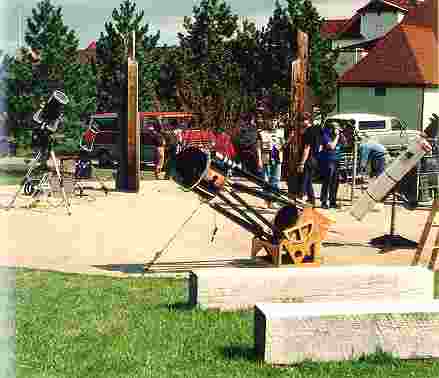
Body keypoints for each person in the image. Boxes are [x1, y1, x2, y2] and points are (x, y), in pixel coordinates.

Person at [258, 117, 286, 208]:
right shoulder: (261, 133)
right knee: (266, 180)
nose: (273, 122)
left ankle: (273, 201)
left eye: (274, 120)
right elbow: (258, 147)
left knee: (276, 181)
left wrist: (289, 139)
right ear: (267, 121)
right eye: (271, 120)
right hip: (266, 159)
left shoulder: (281, 132)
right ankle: (266, 201)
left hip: (278, 159)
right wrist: (259, 160)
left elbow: (283, 145)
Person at [296, 113, 321, 206]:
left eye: (302, 121)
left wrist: (302, 163)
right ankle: (312, 202)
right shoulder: (316, 130)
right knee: (309, 182)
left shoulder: (308, 132)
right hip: (314, 159)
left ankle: (301, 203)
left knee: (303, 182)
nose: (300, 123)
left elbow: (307, 148)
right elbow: (320, 146)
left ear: (306, 120)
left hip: (308, 160)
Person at [319, 121, 343, 209]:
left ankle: (333, 201)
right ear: (332, 129)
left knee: (335, 182)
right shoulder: (326, 136)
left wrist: (341, 136)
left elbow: (346, 144)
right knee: (327, 182)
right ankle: (324, 201)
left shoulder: (338, 136)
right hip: (328, 161)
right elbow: (331, 146)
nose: (338, 131)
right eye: (336, 129)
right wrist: (337, 136)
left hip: (337, 160)